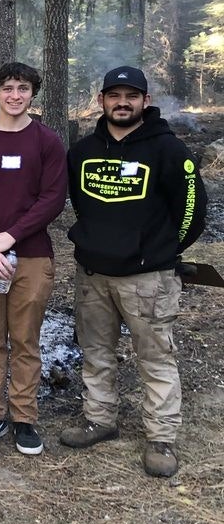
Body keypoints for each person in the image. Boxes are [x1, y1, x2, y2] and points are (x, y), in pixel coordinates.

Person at [60, 66, 206, 477]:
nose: (122, 103)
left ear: (145, 101)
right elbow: (80, 203)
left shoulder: (170, 150)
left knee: (155, 357)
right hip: (93, 275)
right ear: (102, 100)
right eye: (114, 95)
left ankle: (161, 438)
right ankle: (99, 420)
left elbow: (192, 211)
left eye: (131, 96)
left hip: (149, 279)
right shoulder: (82, 151)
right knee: (96, 353)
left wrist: (162, 252)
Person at [0, 62, 66, 457]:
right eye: (8, 88)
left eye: (22, 88)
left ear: (32, 93)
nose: (15, 95)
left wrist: (10, 237)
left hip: (33, 256)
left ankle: (24, 418)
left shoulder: (47, 141)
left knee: (25, 340)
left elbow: (52, 198)